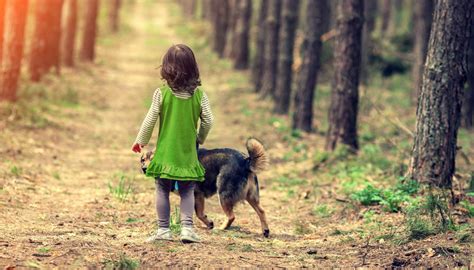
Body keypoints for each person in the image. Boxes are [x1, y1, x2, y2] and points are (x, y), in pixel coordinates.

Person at [132, 44, 213, 243]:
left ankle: (163, 230)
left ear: (167, 68)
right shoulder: (200, 96)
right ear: (193, 68)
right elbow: (209, 120)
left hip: (166, 152)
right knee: (187, 190)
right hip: (187, 153)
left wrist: (140, 141)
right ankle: (187, 229)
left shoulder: (162, 93)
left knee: (161, 188)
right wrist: (200, 138)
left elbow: (150, 119)